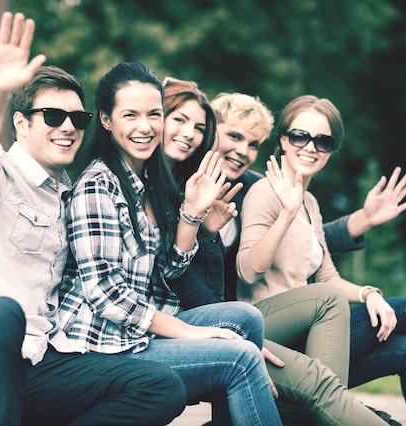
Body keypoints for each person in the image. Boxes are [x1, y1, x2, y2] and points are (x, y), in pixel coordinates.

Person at [0, 13, 186, 426]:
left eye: (78, 119)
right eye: (53, 117)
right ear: (20, 123)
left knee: (161, 386)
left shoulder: (70, 194)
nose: (68, 127)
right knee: (2, 314)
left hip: (36, 362)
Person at [236, 94, 406, 426]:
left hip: (313, 332)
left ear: (331, 150)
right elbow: (248, 271)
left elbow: (328, 277)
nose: (310, 147)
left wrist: (368, 293)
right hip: (274, 334)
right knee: (404, 308)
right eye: (299, 136)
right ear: (282, 140)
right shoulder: (265, 192)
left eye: (322, 141)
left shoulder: (309, 203)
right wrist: (285, 214)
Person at [57, 62, 282, 426]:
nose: (145, 127)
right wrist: (195, 333)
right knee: (240, 356)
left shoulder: (147, 180)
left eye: (154, 114)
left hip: (133, 334)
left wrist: (192, 215)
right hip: (103, 345)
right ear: (106, 120)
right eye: (130, 115)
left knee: (246, 318)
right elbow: (104, 292)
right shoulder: (98, 185)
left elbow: (167, 271)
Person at [166, 86, 399, 425]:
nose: (242, 151)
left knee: (401, 342)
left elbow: (310, 243)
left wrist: (361, 227)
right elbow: (188, 274)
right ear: (212, 135)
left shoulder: (253, 185)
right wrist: (233, 331)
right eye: (233, 137)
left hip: (242, 321)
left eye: (252, 144)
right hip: (209, 324)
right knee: (332, 348)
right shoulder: (184, 186)